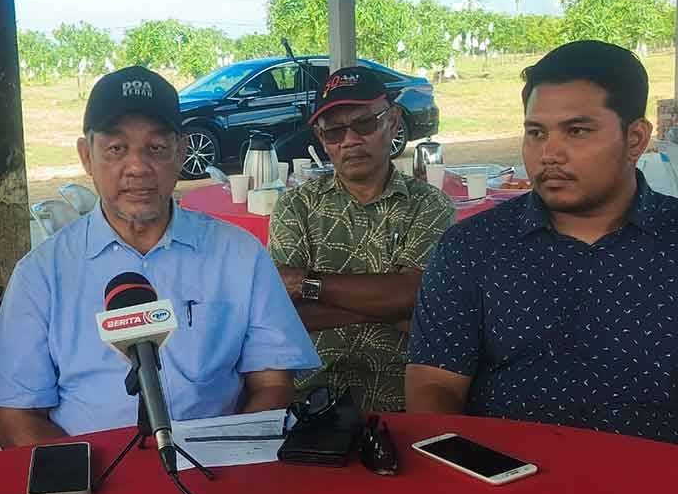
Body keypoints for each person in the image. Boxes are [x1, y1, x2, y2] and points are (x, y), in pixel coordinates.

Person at [0, 66, 321, 447]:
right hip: (94, 483)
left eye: (156, 148)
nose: (137, 167)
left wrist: (226, 463)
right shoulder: (41, 274)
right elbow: (15, 419)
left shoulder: (239, 255)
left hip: (216, 477)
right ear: (87, 156)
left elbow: (272, 385)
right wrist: (98, 484)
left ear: (182, 152)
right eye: (116, 149)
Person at [406, 40, 678, 443]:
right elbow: (434, 384)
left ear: (636, 139)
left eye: (578, 131)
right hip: (506, 485)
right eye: (536, 132)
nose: (549, 153)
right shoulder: (473, 248)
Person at [268, 66, 453, 411]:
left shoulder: (430, 205)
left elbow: (418, 298)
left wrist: (307, 284)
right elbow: (283, 314)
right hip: (313, 395)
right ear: (322, 141)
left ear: (394, 121)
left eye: (365, 124)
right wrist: (390, 307)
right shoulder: (297, 204)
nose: (350, 140)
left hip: (403, 395)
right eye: (335, 132)